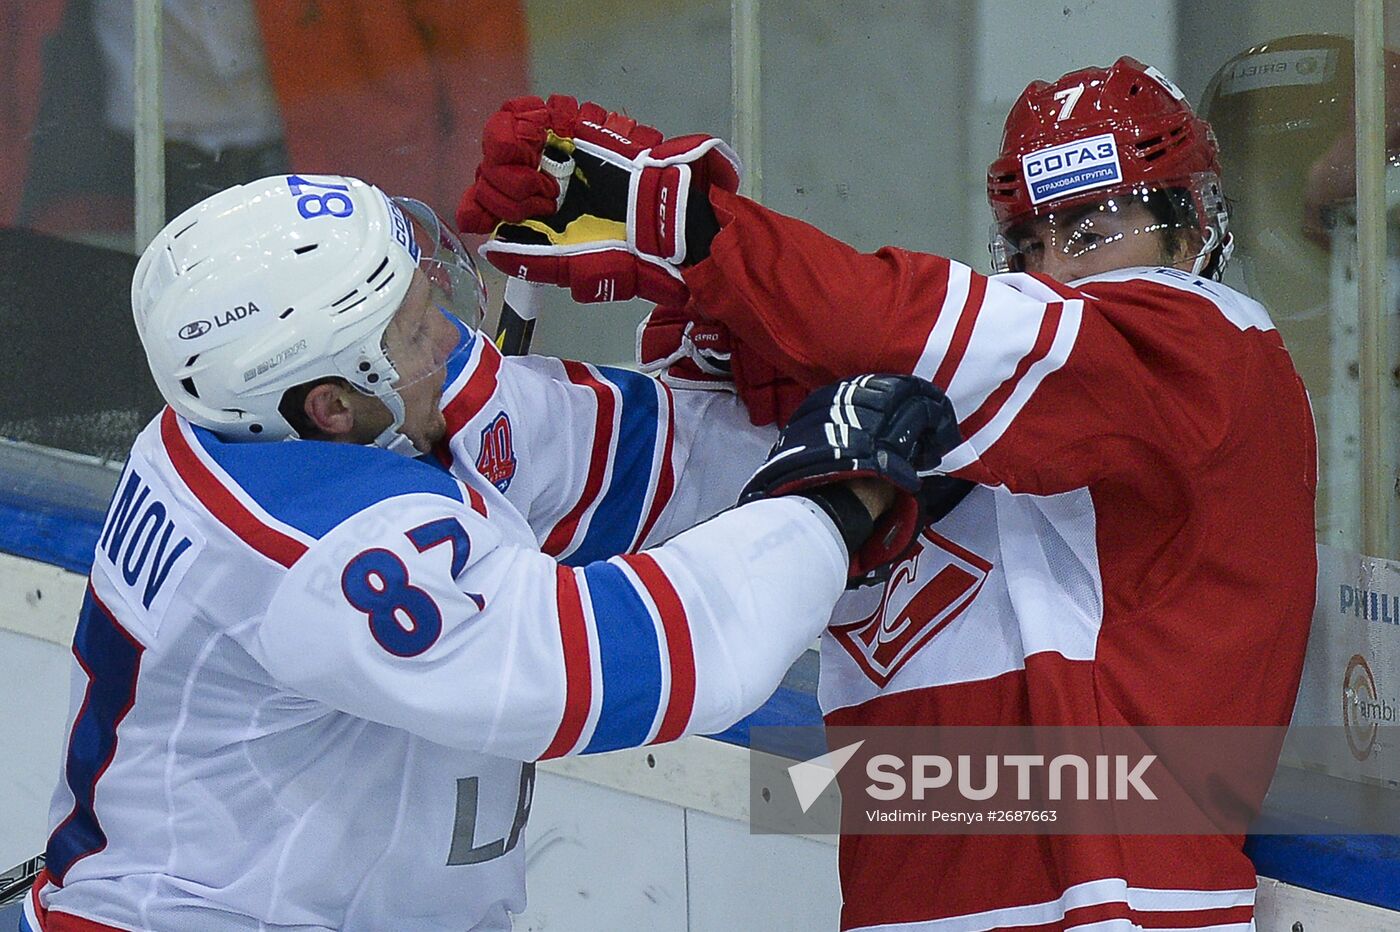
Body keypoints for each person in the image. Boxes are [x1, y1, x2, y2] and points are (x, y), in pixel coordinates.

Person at [460, 58, 1318, 930]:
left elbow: (908, 322)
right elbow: (645, 472)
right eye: (1027, 243)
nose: (1056, 268)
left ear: (1190, 233)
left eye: (1093, 229)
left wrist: (699, 233)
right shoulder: (954, 415)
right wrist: (433, 388)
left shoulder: (1214, 354)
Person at [23, 173, 962, 931]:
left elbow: (627, 451)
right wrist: (837, 505)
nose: (451, 339)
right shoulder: (319, 550)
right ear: (332, 403)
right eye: (415, 328)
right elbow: (625, 662)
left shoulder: (286, 415)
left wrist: (803, 398)